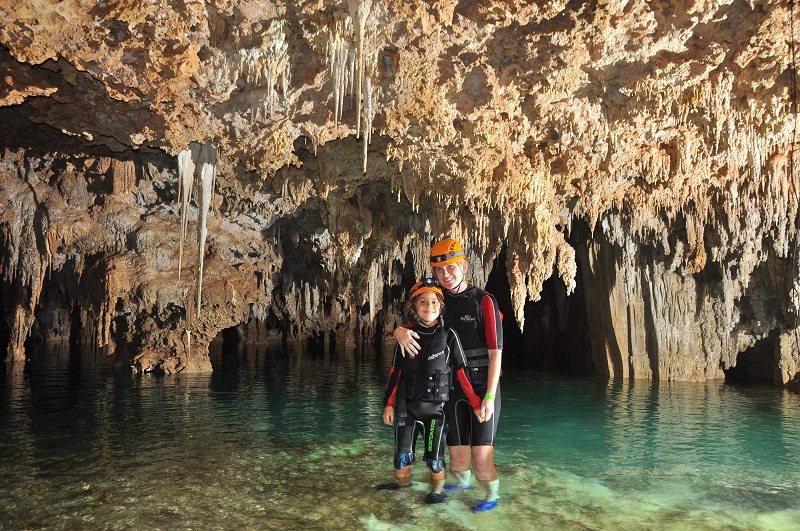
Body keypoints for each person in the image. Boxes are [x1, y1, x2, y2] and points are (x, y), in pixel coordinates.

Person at [394, 238, 503, 512]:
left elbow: (495, 353)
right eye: (439, 269)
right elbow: (416, 324)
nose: (446, 274)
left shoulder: (484, 301)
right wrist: (397, 331)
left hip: (481, 385)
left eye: (451, 267)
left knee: (481, 455)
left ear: (464, 265)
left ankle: (491, 495)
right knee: (455, 457)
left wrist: (488, 395)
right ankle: (463, 484)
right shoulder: (439, 300)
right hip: (451, 387)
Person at [381, 277, 483, 504]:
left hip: (436, 412)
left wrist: (476, 403)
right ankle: (401, 491)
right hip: (406, 408)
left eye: (434, 302)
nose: (429, 307)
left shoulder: (449, 336)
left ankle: (437, 492)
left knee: (435, 462)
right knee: (401, 459)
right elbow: (395, 372)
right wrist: (388, 403)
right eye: (423, 302)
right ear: (414, 307)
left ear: (441, 306)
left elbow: (462, 373)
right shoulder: (406, 335)